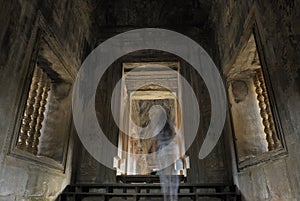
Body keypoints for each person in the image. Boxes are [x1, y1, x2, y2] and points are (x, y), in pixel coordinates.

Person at [151, 106, 180, 201]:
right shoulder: (171, 126)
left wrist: (154, 156)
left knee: (165, 174)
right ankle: (172, 196)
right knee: (170, 172)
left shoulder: (158, 126)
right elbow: (175, 139)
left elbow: (154, 142)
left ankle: (168, 195)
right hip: (169, 151)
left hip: (163, 152)